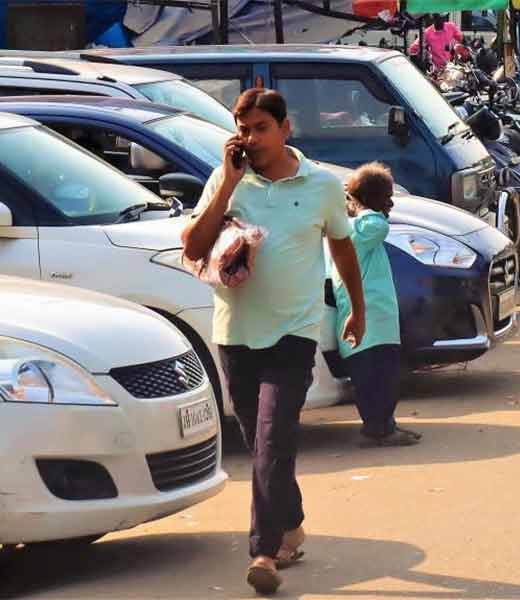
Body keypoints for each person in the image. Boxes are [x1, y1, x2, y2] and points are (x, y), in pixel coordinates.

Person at [181, 88, 366, 596]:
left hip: (294, 330)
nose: (251, 138)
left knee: (274, 437)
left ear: (286, 129)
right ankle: (292, 519)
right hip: (235, 332)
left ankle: (263, 549)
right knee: (260, 441)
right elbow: (194, 248)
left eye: (261, 128)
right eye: (244, 129)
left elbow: (343, 248)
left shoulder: (322, 186)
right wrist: (226, 189)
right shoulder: (227, 179)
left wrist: (357, 308)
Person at [334, 163, 422, 447]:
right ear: (369, 201)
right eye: (385, 197)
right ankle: (378, 429)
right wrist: (360, 207)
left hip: (376, 321)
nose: (391, 203)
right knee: (376, 380)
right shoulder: (360, 229)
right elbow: (378, 224)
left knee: (383, 379)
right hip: (368, 321)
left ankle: (384, 424)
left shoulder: (351, 230)